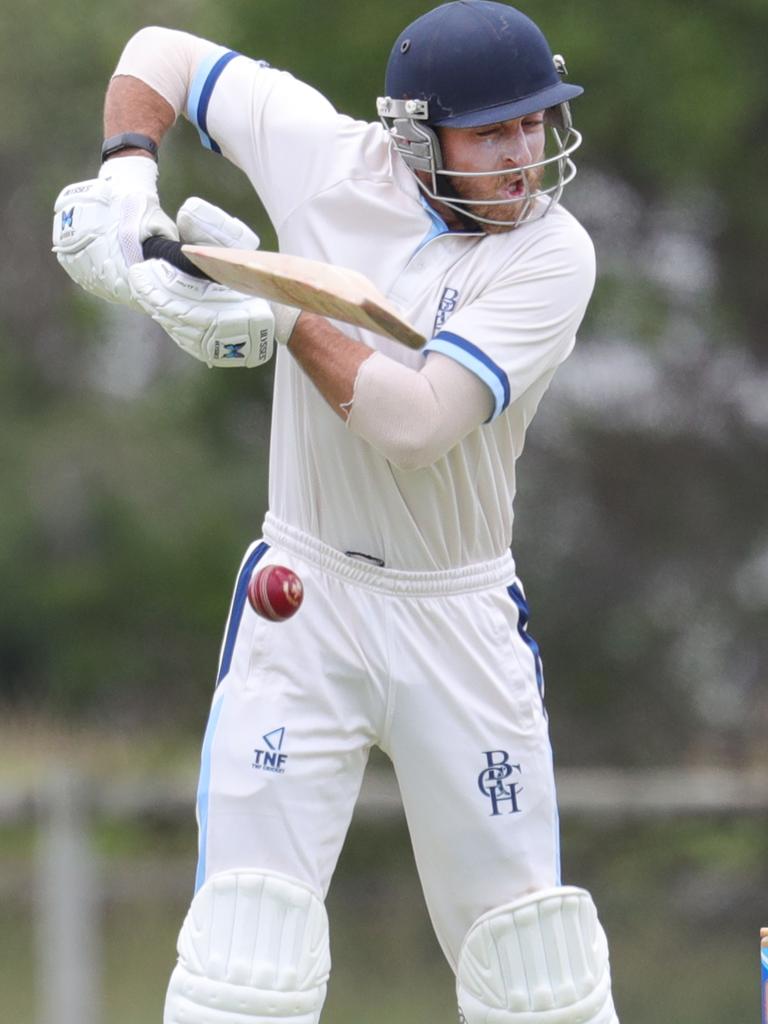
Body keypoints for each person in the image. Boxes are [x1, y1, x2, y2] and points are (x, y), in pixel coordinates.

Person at [52, 3, 621, 1022]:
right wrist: (128, 172)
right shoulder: (324, 154)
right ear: (412, 134)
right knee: (246, 957)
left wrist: (275, 302)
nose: (523, 154)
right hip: (306, 596)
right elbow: (164, 52)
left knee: (536, 973)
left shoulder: (552, 254)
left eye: (535, 123)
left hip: (459, 615)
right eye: (494, 131)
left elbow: (411, 421)